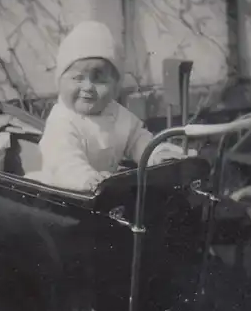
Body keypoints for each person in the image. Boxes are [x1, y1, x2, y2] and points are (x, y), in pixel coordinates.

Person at [28, 21, 196, 192]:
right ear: (60, 81)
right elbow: (63, 161)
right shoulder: (61, 120)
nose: (87, 87)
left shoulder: (117, 114)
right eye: (78, 78)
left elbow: (139, 139)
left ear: (115, 86)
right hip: (64, 192)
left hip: (103, 190)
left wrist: (156, 153)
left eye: (99, 79)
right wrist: (87, 178)